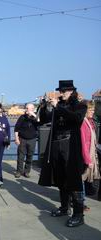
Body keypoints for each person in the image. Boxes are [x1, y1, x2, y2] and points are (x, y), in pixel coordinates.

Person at [38, 80, 87, 227]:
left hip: (70, 144)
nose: (63, 93)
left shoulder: (79, 105)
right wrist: (45, 105)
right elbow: (44, 119)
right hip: (56, 144)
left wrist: (57, 106)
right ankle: (65, 207)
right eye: (61, 91)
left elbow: (76, 118)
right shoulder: (58, 104)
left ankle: (79, 213)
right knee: (60, 177)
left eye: (65, 91)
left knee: (73, 179)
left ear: (72, 91)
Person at [81, 101, 100, 209]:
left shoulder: (92, 122)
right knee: (81, 179)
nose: (93, 112)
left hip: (91, 153)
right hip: (85, 155)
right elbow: (83, 142)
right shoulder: (83, 123)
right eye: (90, 110)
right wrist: (88, 160)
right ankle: (80, 203)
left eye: (93, 110)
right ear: (85, 111)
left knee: (84, 179)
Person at [14, 103, 39, 178]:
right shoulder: (22, 117)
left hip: (32, 139)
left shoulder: (35, 117)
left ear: (33, 109)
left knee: (30, 156)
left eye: (30, 108)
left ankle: (27, 172)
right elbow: (16, 128)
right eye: (27, 108)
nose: (28, 110)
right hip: (22, 139)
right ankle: (19, 171)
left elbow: (40, 121)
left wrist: (33, 115)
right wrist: (16, 138)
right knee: (21, 156)